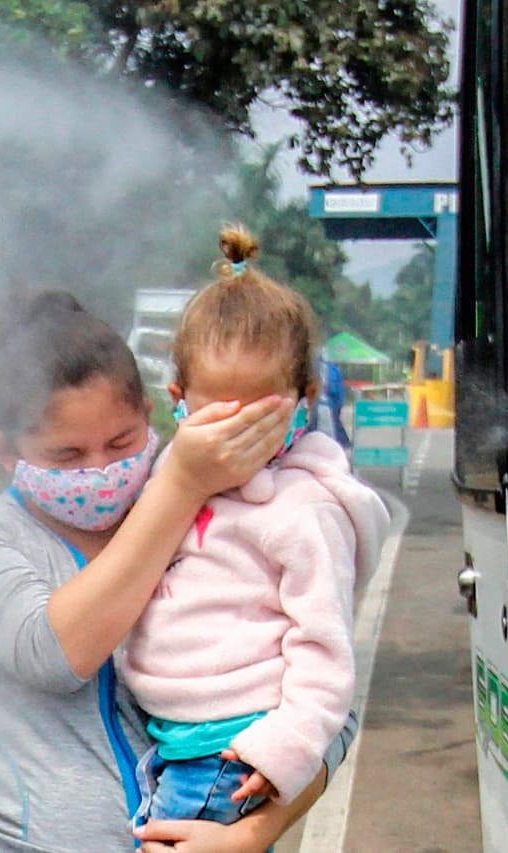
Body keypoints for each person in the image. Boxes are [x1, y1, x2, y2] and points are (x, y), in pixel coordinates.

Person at [0, 287, 358, 852]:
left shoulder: (213, 520)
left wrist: (251, 835)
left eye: (122, 441)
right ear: (8, 452)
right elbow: (52, 655)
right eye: (67, 456)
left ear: (151, 416)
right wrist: (181, 485)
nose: (100, 469)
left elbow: (329, 706)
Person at [117, 226, 389, 830]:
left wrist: (288, 746)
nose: (236, 431)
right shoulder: (173, 475)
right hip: (173, 744)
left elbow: (325, 647)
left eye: (260, 411)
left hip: (229, 752)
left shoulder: (303, 511)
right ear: (179, 397)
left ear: (305, 396)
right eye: (218, 411)